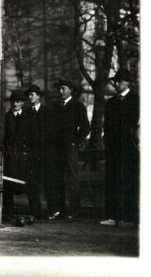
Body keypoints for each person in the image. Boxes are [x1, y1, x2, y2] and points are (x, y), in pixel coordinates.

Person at [101, 69, 139, 227]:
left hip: (130, 148)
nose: (116, 84)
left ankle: (130, 218)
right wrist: (107, 140)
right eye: (115, 81)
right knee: (112, 181)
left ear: (128, 82)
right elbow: (107, 126)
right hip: (113, 149)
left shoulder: (136, 100)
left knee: (130, 181)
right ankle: (112, 216)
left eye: (119, 81)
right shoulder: (111, 102)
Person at [52, 78, 90, 221]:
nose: (60, 91)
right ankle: (61, 210)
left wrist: (75, 142)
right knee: (58, 178)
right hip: (56, 149)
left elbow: (86, 127)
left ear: (71, 90)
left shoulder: (78, 106)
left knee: (72, 179)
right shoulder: (55, 107)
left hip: (70, 148)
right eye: (59, 89)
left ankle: (74, 211)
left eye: (63, 89)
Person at [3, 90, 41, 219]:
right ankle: (8, 213)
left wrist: (33, 156)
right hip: (11, 157)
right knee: (8, 186)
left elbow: (34, 139)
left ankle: (36, 212)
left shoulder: (29, 118)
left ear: (23, 102)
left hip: (26, 158)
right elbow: (2, 139)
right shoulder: (5, 118)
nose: (15, 103)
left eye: (18, 101)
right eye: (13, 101)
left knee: (31, 185)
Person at [27, 84, 57, 218]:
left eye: (32, 94)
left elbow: (51, 134)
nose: (30, 97)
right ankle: (36, 211)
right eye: (28, 95)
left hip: (45, 154)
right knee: (32, 183)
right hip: (31, 154)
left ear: (39, 96)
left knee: (48, 183)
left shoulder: (48, 112)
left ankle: (52, 210)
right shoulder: (26, 112)